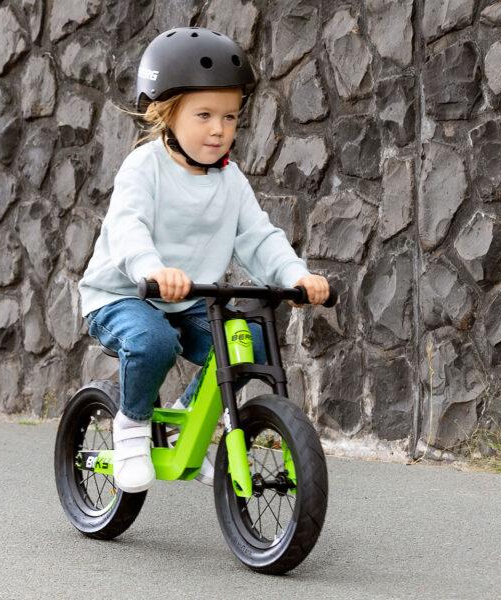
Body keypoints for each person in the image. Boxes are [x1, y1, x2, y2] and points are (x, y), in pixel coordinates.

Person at [78, 26, 330, 494]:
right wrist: (153, 269)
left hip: (190, 298)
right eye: (204, 115)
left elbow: (258, 237)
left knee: (249, 340)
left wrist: (296, 276)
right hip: (122, 295)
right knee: (151, 342)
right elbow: (129, 229)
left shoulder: (230, 181)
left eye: (230, 117)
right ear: (166, 113)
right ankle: (132, 426)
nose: (219, 129)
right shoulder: (144, 167)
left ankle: (187, 421)